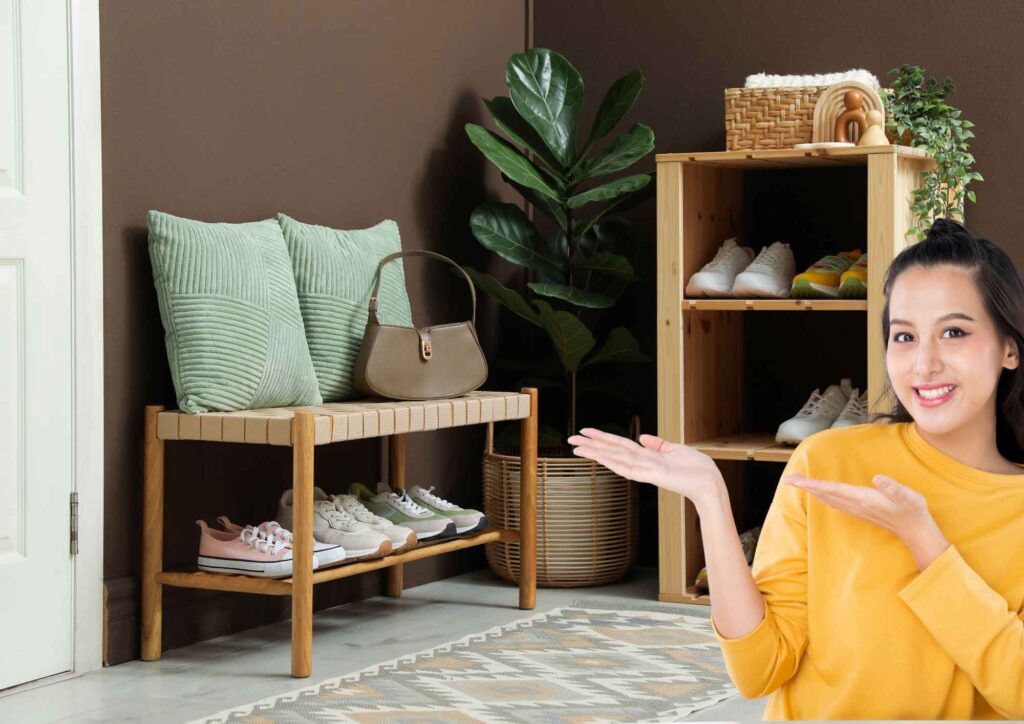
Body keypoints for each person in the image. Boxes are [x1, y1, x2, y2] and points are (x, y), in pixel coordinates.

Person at [568, 218, 1024, 720]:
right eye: (904, 336)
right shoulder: (830, 461)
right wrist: (710, 500)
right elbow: (760, 669)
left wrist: (924, 541)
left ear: (1009, 347)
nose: (923, 364)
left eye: (954, 332)